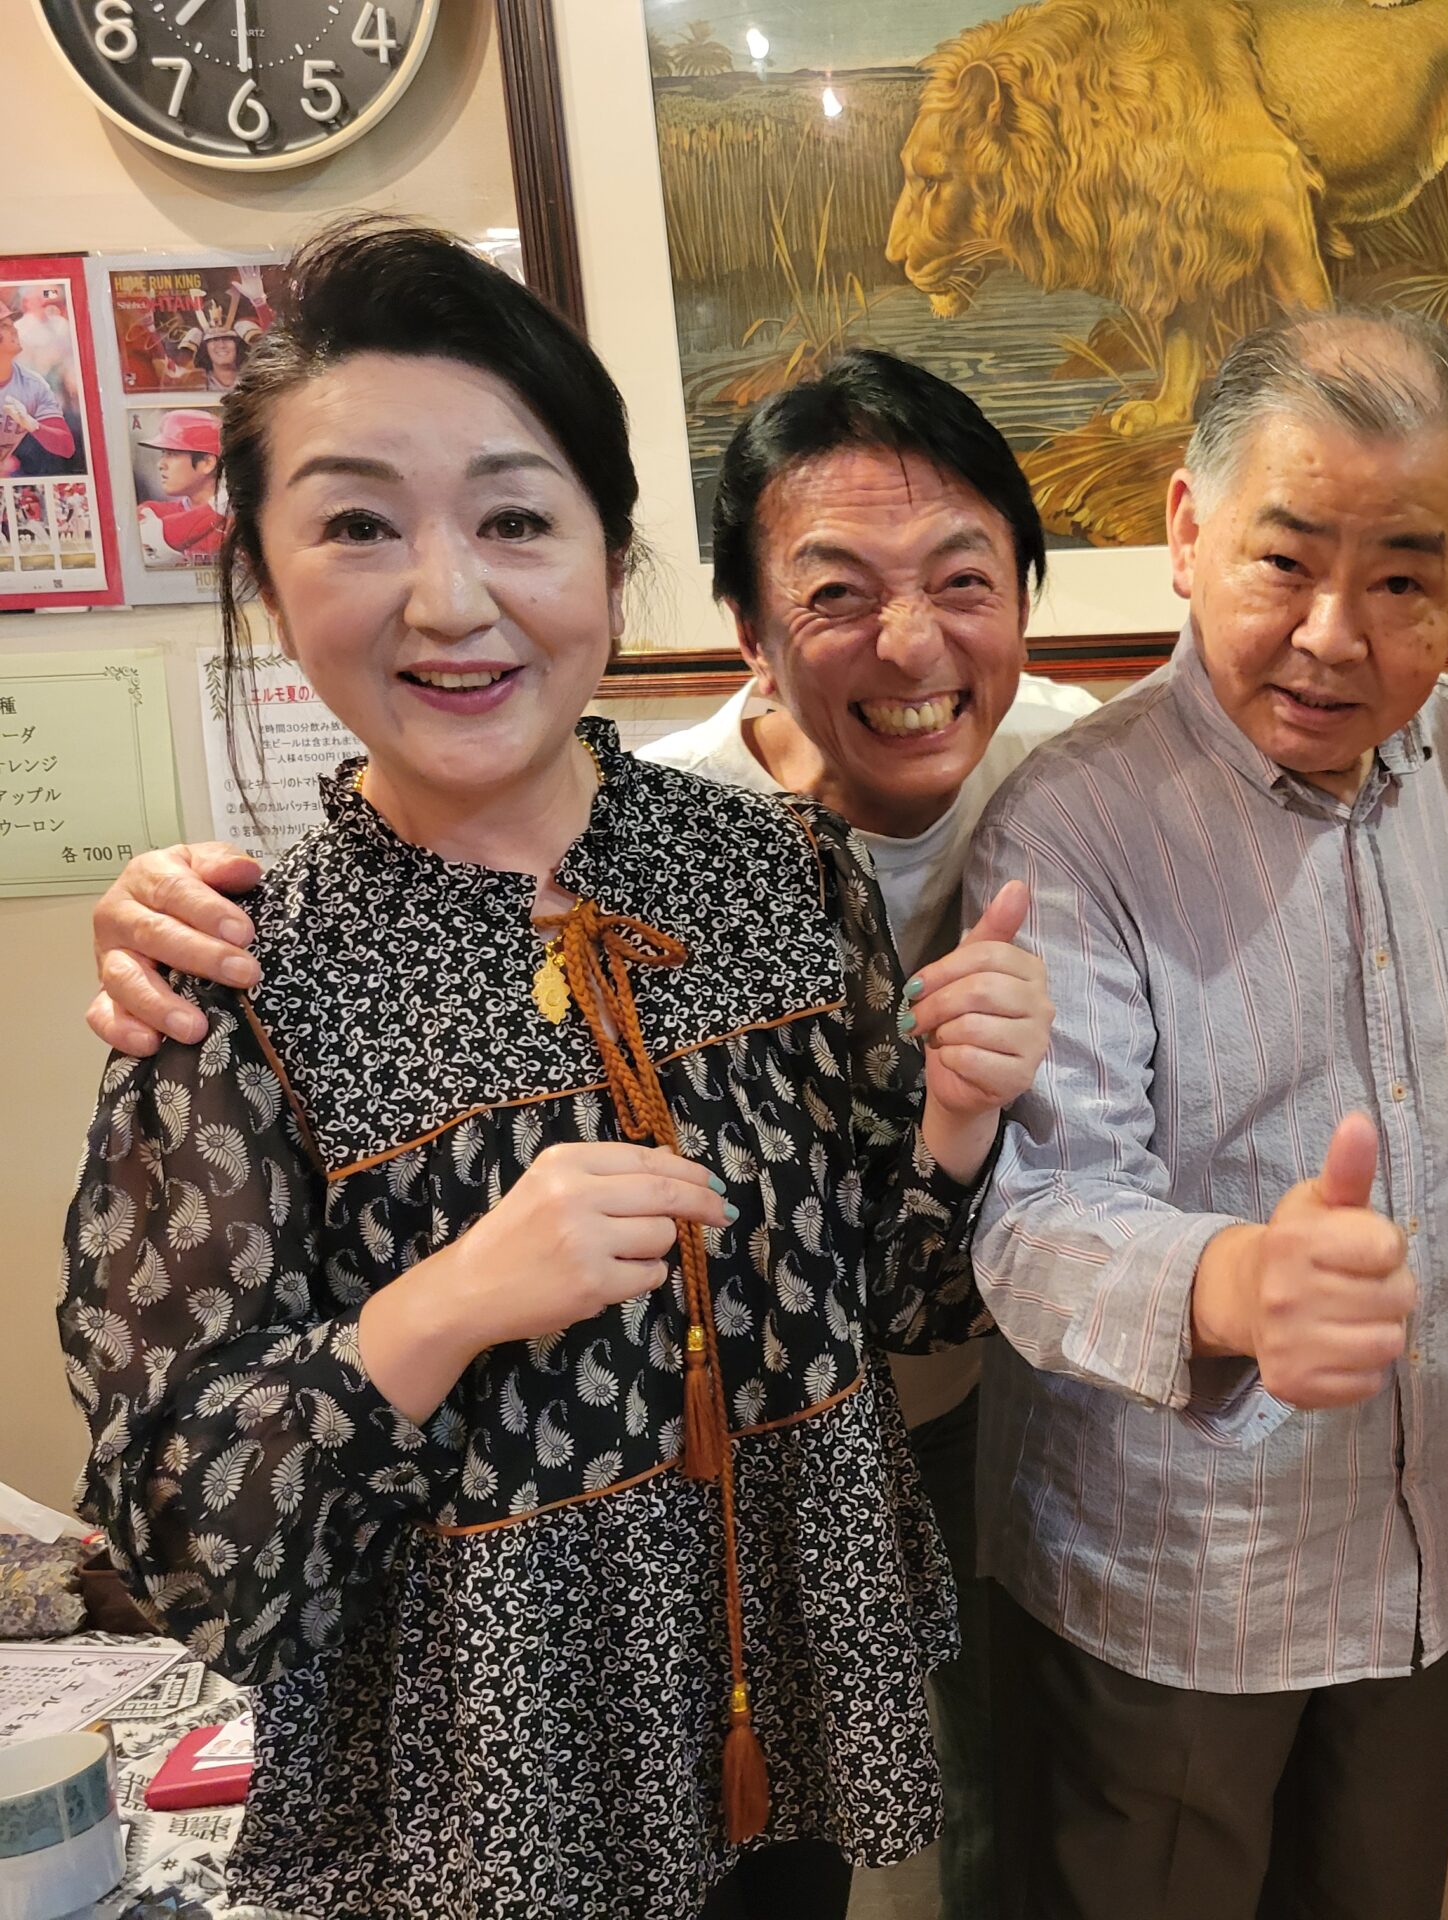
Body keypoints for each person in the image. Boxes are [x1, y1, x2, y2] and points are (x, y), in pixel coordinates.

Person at [56, 218, 1054, 1920]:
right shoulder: (234, 983)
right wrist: (439, 1309)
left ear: (610, 553)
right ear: (268, 581)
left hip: (774, 1734)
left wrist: (957, 1122)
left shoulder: (776, 874)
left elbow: (900, 1308)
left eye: (516, 519)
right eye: (359, 525)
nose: (451, 599)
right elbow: (188, 1542)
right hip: (477, 1804)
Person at [961, 307, 1448, 1920]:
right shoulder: (1073, 826)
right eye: (1285, 562)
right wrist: (1237, 1284)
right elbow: (1040, 1212)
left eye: (1403, 579)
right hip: (1179, 1581)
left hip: (1435, 1545)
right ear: (1186, 533)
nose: (1335, 637)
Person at [135, 408, 228, 561]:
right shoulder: (152, 512)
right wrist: (223, 503)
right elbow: (152, 547)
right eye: (163, 453)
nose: (161, 464)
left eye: (172, 454)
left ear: (207, 463)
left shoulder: (246, 518)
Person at [0, 295, 74, 477]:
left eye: (11, 324)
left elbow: (66, 447)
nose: (15, 330)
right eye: (5, 326)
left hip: (24, 463)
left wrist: (34, 425)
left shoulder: (32, 383)